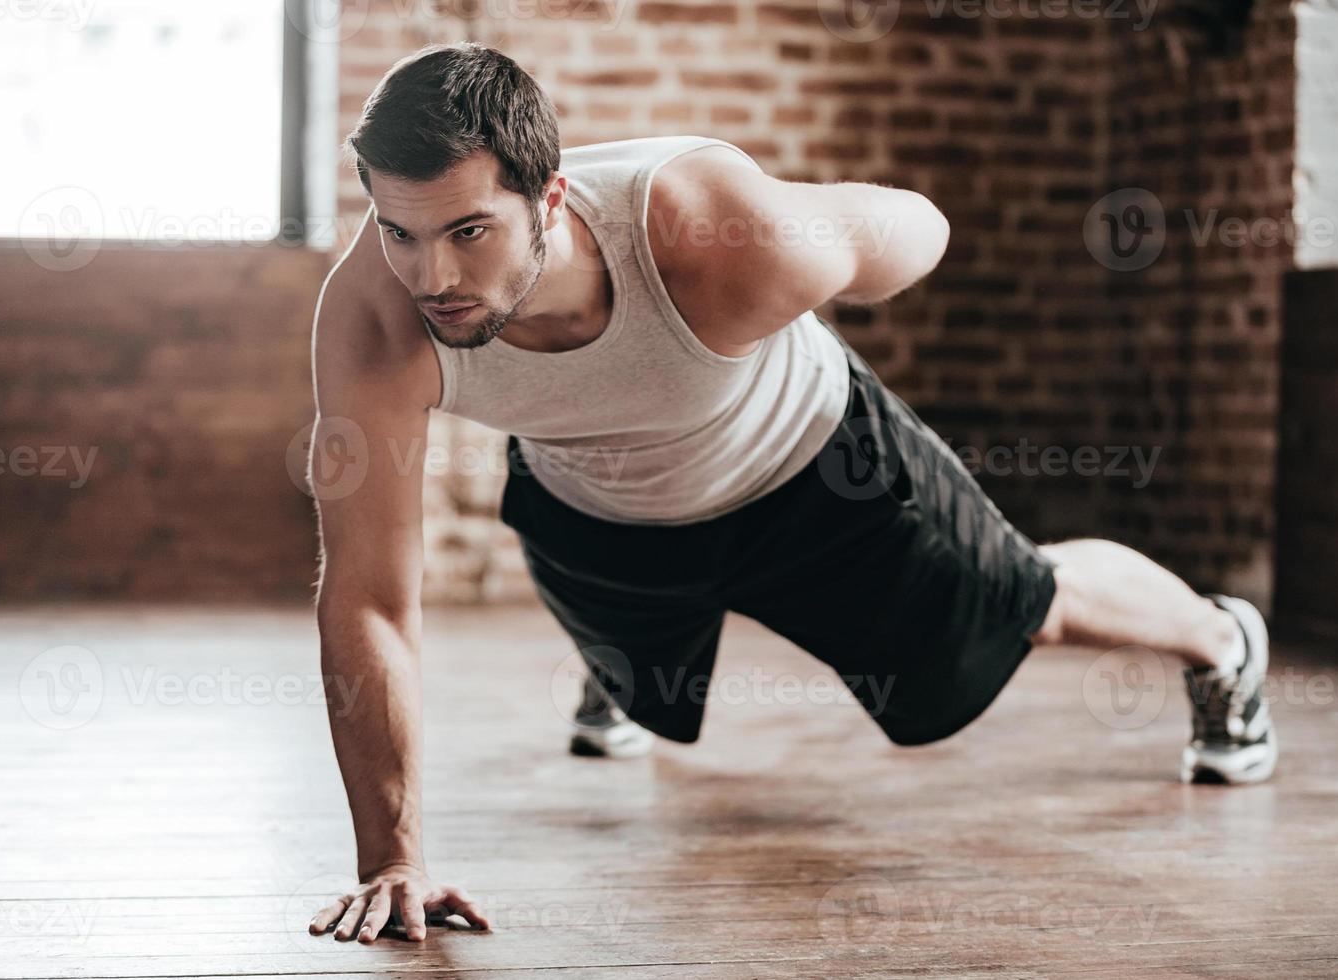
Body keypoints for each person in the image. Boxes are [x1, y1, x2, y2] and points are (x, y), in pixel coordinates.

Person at [304, 41, 1277, 945]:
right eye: (401, 230)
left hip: (817, 477)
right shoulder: (376, 317)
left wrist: (817, 227)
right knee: (636, 655)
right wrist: (393, 856)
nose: (433, 275)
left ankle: (1223, 638)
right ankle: (633, 656)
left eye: (469, 230)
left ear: (552, 200)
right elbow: (370, 597)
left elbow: (920, 226)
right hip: (600, 511)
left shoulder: (721, 235)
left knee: (1029, 607)